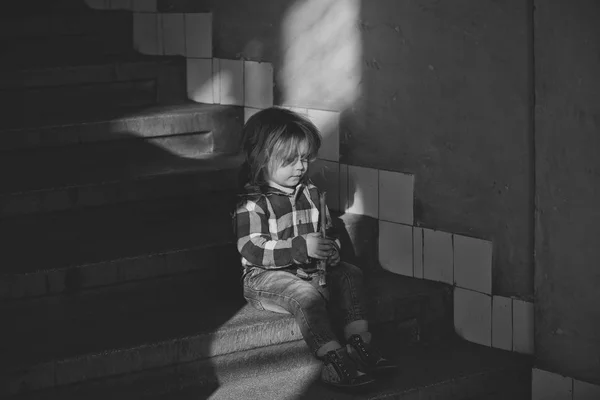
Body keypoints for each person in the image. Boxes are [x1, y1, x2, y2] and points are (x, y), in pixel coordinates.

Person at [234, 107, 395, 389]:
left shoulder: (310, 193)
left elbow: (327, 231)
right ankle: (334, 359)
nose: (300, 167)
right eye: (290, 160)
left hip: (308, 269)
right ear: (260, 159)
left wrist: (331, 248)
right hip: (264, 277)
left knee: (350, 273)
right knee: (305, 295)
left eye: (305, 159)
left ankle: (359, 344)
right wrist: (300, 248)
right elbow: (252, 248)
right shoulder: (252, 203)